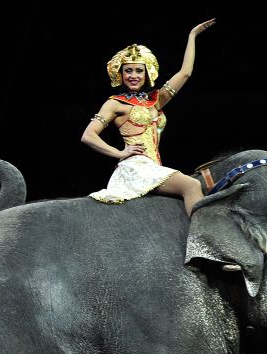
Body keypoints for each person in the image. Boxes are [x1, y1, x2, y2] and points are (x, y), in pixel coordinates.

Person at [81, 19, 216, 215]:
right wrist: (120, 153)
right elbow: (88, 135)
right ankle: (203, 242)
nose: (133, 75)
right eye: (128, 70)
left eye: (138, 70)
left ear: (147, 74)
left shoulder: (156, 100)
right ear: (121, 74)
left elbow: (185, 73)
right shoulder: (115, 103)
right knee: (192, 186)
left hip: (153, 167)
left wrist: (192, 36)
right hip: (136, 168)